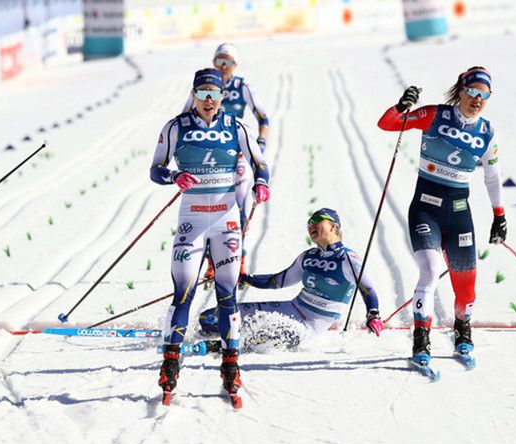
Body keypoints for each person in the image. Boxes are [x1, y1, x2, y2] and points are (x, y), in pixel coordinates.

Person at [150, 68, 270, 402]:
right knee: (183, 291)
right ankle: (170, 365)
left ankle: (231, 367)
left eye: (213, 94)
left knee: (227, 293)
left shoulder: (235, 126)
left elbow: (261, 163)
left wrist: (261, 183)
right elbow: (155, 169)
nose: (207, 100)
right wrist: (173, 176)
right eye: (201, 93)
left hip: (226, 221)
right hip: (192, 222)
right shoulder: (175, 127)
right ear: (194, 95)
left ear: (221, 96)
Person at [376, 67, 506, 366]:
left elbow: (493, 177)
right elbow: (388, 124)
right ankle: (421, 338)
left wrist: (499, 216)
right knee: (431, 270)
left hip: (459, 213)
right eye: (473, 91)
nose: (478, 99)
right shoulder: (434, 115)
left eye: (484, 95)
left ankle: (463, 332)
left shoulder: (486, 132)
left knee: (467, 286)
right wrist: (401, 106)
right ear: (461, 90)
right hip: (425, 209)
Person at [198, 209, 383, 350]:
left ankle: (220, 347)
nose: (311, 226)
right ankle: (221, 339)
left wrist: (373, 314)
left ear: (334, 226)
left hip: (308, 325)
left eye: (317, 221)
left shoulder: (348, 258)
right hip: (290, 308)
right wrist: (246, 278)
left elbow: (368, 289)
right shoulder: (308, 256)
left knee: (258, 334)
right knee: (210, 316)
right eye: (309, 223)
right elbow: (277, 281)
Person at [184, 43, 270, 277]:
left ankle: (238, 262)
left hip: (237, 153)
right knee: (210, 207)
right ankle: (213, 264)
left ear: (235, 64)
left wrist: (259, 144)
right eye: (219, 61)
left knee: (237, 208)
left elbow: (263, 118)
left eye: (228, 62)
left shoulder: (242, 86)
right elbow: (184, 120)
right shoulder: (203, 87)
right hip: (209, 158)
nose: (223, 66)